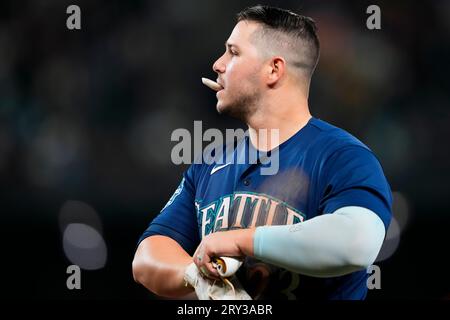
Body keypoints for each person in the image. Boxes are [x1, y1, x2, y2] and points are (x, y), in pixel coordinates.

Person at [132, 5, 392, 300]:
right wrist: (198, 277)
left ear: (273, 69)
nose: (218, 64)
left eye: (233, 52)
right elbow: (147, 256)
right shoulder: (209, 164)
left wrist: (244, 241)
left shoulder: (342, 156)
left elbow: (358, 243)